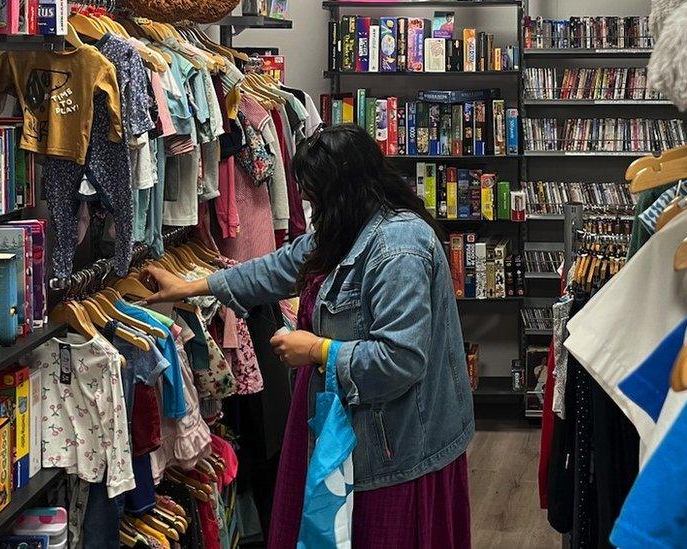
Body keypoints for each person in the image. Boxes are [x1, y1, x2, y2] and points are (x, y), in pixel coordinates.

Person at [144, 124, 475, 548]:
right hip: (366, 433)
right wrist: (190, 286)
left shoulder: (399, 248)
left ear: (343, 191)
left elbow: (400, 361)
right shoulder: (350, 226)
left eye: (317, 197)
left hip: (400, 445)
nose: (313, 208)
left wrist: (318, 350)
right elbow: (279, 267)